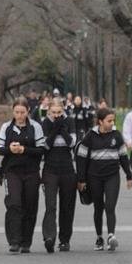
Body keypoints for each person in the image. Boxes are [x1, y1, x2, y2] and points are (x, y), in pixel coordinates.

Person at [74, 107, 131, 251]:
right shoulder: (90, 136)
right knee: (98, 207)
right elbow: (81, 158)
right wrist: (81, 179)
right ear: (100, 122)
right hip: (94, 177)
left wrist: (129, 175)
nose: (112, 123)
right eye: (109, 121)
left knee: (110, 206)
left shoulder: (116, 135)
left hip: (112, 176)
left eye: (113, 121)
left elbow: (123, 156)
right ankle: (99, 237)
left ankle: (111, 236)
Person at [0, 100, 45, 254]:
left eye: (22, 112)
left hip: (31, 172)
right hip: (12, 172)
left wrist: (24, 149)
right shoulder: (6, 127)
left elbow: (41, 150)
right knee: (14, 203)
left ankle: (26, 242)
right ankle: (14, 241)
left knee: (30, 205)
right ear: (13, 112)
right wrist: (10, 149)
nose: (20, 115)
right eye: (17, 112)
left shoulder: (35, 127)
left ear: (28, 111)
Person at [38, 97, 79, 253]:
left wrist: (61, 128)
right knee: (51, 205)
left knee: (67, 206)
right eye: (53, 112)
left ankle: (64, 240)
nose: (56, 115)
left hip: (67, 168)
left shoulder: (70, 121)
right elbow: (46, 145)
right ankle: (49, 237)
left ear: (63, 110)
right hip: (50, 169)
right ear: (49, 111)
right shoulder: (45, 123)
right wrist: (55, 129)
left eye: (59, 112)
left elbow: (71, 143)